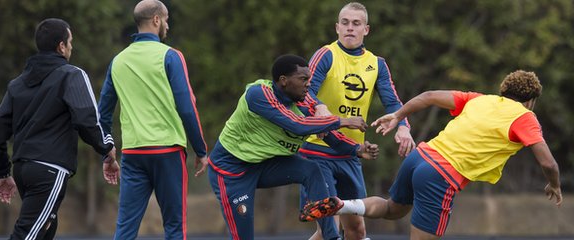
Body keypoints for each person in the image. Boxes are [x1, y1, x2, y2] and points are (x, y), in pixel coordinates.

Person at [327, 70, 563, 240]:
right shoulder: (524, 117)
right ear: (530, 101)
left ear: (504, 90)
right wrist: (554, 185)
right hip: (440, 175)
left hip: (420, 156)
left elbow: (428, 96)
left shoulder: (480, 99)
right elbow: (548, 163)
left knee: (392, 209)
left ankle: (342, 205)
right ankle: (341, 206)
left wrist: (398, 115)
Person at [207, 54, 379, 240]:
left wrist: (357, 150)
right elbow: (297, 124)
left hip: (265, 164)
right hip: (232, 171)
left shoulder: (304, 103)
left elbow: (331, 138)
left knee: (312, 169)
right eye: (303, 79)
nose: (309, 85)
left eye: (310, 80)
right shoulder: (259, 94)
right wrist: (342, 121)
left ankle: (331, 237)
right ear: (283, 81)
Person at [0, 18, 119, 240]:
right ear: (61, 46)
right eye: (70, 42)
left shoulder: (17, 83)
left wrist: (2, 172)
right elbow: (87, 120)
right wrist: (107, 147)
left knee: (45, 230)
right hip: (50, 169)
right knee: (27, 235)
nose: (72, 47)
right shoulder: (72, 75)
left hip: (22, 170)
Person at [300, 2, 415, 239]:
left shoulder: (377, 64)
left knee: (355, 229)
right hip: (318, 150)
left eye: (356, 23)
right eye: (345, 23)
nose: (350, 28)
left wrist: (402, 127)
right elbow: (303, 91)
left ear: (366, 30)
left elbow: (393, 103)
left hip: (350, 153)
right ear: (337, 28)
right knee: (328, 229)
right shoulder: (326, 54)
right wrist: (319, 107)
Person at [97, 0, 208, 239]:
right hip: (168, 151)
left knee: (125, 228)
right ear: (156, 20)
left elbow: (103, 114)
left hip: (134, 154)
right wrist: (201, 150)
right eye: (165, 19)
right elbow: (187, 108)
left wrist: (107, 153)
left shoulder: (118, 60)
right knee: (175, 227)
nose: (167, 25)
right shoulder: (171, 56)